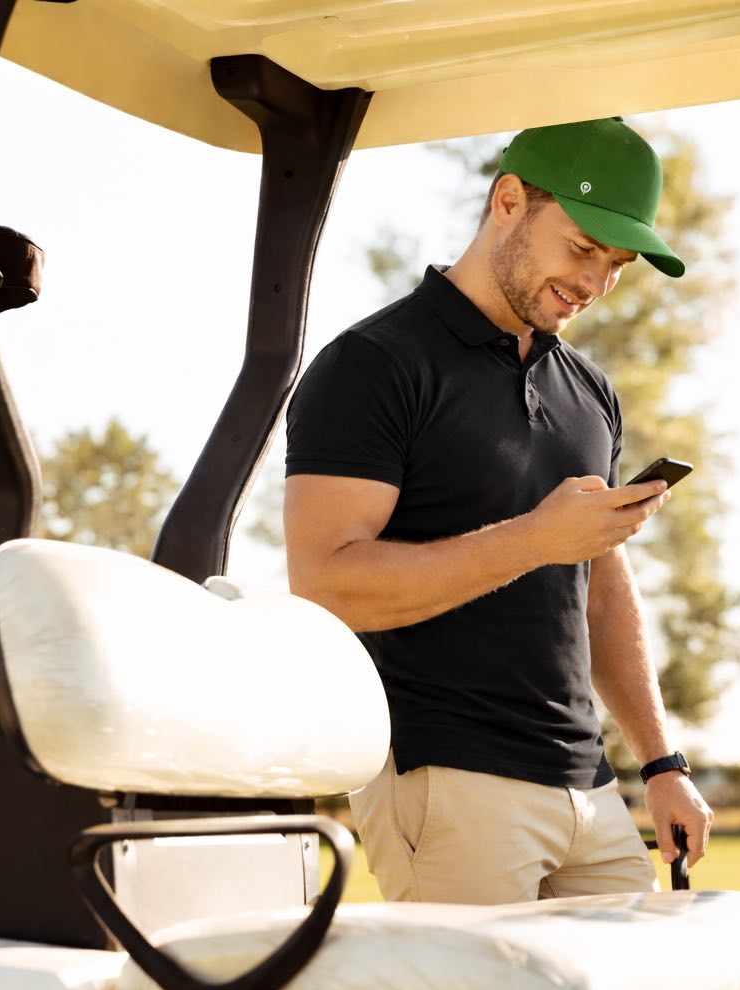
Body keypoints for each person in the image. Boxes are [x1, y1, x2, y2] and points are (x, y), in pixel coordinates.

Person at [283, 117, 713, 904]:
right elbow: (324, 581)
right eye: (584, 248)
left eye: (616, 265)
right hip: (449, 776)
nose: (595, 284)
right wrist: (536, 539)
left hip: (589, 788)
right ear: (508, 201)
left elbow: (603, 589)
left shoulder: (590, 394)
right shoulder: (374, 365)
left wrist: (660, 761)